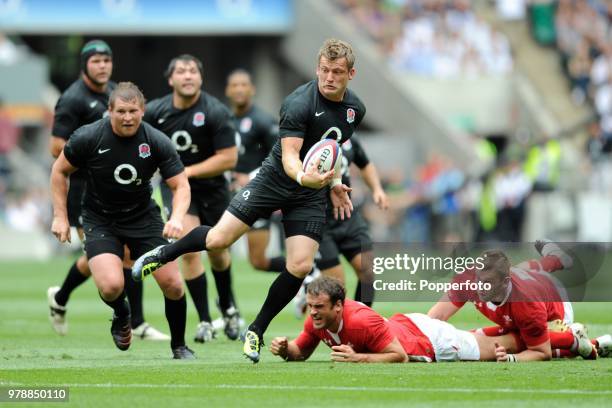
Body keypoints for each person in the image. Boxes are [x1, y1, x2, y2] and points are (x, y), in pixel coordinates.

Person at [133, 38, 362, 363]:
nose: (329, 77)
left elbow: (332, 149)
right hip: (274, 180)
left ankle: (254, 330)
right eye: (324, 70)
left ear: (350, 74)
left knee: (299, 266)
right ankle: (163, 253)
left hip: (309, 194)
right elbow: (291, 158)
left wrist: (336, 182)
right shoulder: (298, 103)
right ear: (317, 68)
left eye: (337, 72)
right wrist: (306, 178)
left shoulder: (356, 110)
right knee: (216, 240)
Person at [50, 82, 194, 359]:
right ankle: (122, 312)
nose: (127, 117)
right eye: (121, 111)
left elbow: (181, 186)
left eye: (133, 111)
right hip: (99, 219)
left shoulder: (156, 141)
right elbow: (59, 171)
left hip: (144, 218)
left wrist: (176, 218)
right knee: (111, 286)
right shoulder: (88, 137)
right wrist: (60, 216)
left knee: (174, 285)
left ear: (142, 111)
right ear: (109, 111)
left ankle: (179, 346)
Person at [46, 39, 168, 341]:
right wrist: (98, 158)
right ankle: (124, 316)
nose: (102, 66)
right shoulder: (72, 99)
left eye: (106, 60)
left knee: (118, 253)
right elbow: (54, 148)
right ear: (84, 65)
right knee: (108, 253)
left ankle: (126, 318)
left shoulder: (116, 93)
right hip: (87, 192)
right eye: (96, 61)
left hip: (121, 189)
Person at [144, 54, 241, 343]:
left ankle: (228, 307)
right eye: (181, 71)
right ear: (170, 79)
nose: (187, 76)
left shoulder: (216, 111)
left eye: (192, 71)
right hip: (177, 190)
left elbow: (229, 158)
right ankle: (204, 320)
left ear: (200, 78)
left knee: (218, 251)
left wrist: (186, 170)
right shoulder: (154, 112)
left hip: (213, 189)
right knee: (188, 250)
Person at [269, 276, 521, 363]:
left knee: (503, 347)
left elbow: (399, 356)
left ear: (338, 306)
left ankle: (551, 341)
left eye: (318, 307)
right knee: (492, 340)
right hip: (407, 326)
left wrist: (358, 358)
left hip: (431, 342)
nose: (312, 312)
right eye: (310, 306)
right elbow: (300, 351)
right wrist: (284, 348)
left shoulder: (360, 321)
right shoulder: (316, 321)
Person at [427, 243, 610, 360]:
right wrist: (420, 337)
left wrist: (512, 359)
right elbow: (436, 316)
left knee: (514, 344)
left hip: (555, 309)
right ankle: (556, 259)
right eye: (478, 280)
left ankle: (572, 339)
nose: (479, 287)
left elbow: (541, 352)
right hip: (527, 287)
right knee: (473, 337)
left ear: (505, 282)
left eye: (487, 283)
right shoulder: (468, 279)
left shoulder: (526, 303)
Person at [314, 136, 388, 307]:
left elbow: (365, 163)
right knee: (336, 288)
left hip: (348, 215)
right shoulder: (311, 136)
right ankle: (337, 330)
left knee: (368, 271)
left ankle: (361, 322)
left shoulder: (349, 139)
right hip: (320, 221)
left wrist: (377, 189)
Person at [225, 68, 285, 274]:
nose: (239, 89)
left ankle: (304, 270)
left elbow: (282, 157)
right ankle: (227, 300)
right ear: (227, 91)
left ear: (252, 89)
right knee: (216, 248)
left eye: (244, 85)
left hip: (255, 195)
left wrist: (250, 176)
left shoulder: (263, 120)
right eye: (235, 85)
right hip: (225, 193)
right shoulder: (224, 120)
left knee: (258, 261)